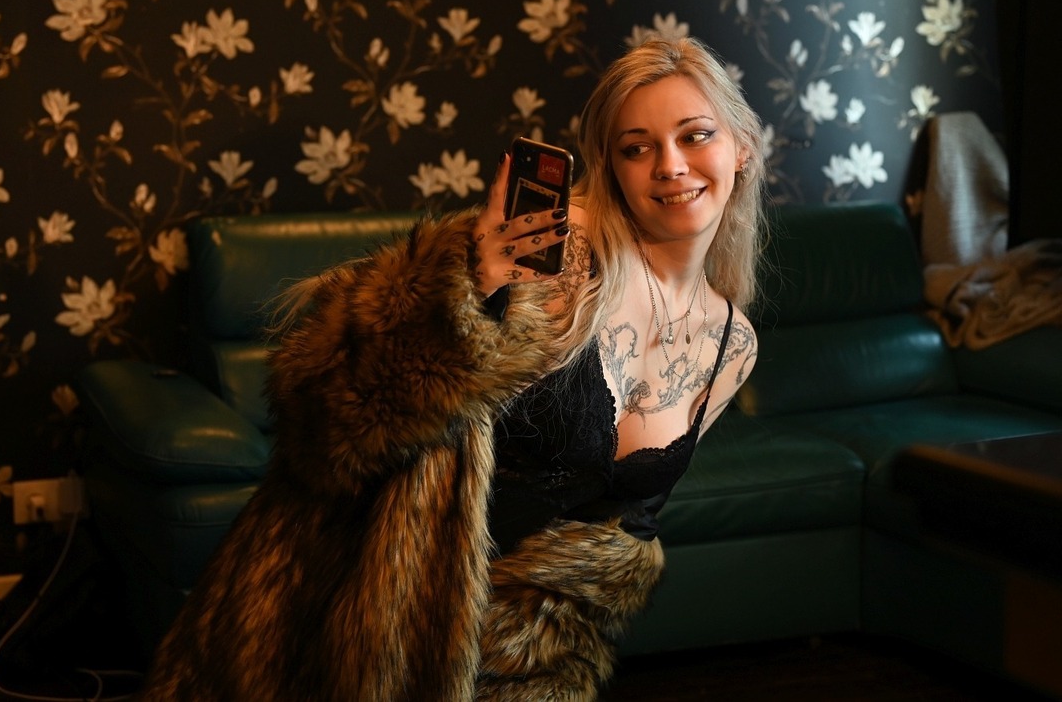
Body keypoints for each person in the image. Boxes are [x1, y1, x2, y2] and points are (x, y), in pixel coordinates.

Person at [139, 35, 765, 702]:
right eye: (636, 148)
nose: (670, 165)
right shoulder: (562, 250)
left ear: (742, 148)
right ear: (611, 167)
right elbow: (318, 417)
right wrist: (468, 293)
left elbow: (619, 529)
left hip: (507, 656)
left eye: (695, 135)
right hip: (342, 614)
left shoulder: (731, 345)